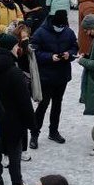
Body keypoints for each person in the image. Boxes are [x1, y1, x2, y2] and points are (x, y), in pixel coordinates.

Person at [0, 32, 36, 185]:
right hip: (13, 121)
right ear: (10, 48)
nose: (18, 49)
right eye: (16, 46)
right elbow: (24, 101)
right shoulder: (14, 72)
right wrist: (32, 124)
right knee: (14, 154)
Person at [31, 10, 78, 147]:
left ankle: (53, 131)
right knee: (43, 104)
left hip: (62, 75)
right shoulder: (40, 32)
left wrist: (69, 54)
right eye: (59, 25)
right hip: (46, 76)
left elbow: (74, 47)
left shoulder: (68, 32)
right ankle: (34, 134)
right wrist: (50, 57)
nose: (61, 28)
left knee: (57, 104)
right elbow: (34, 52)